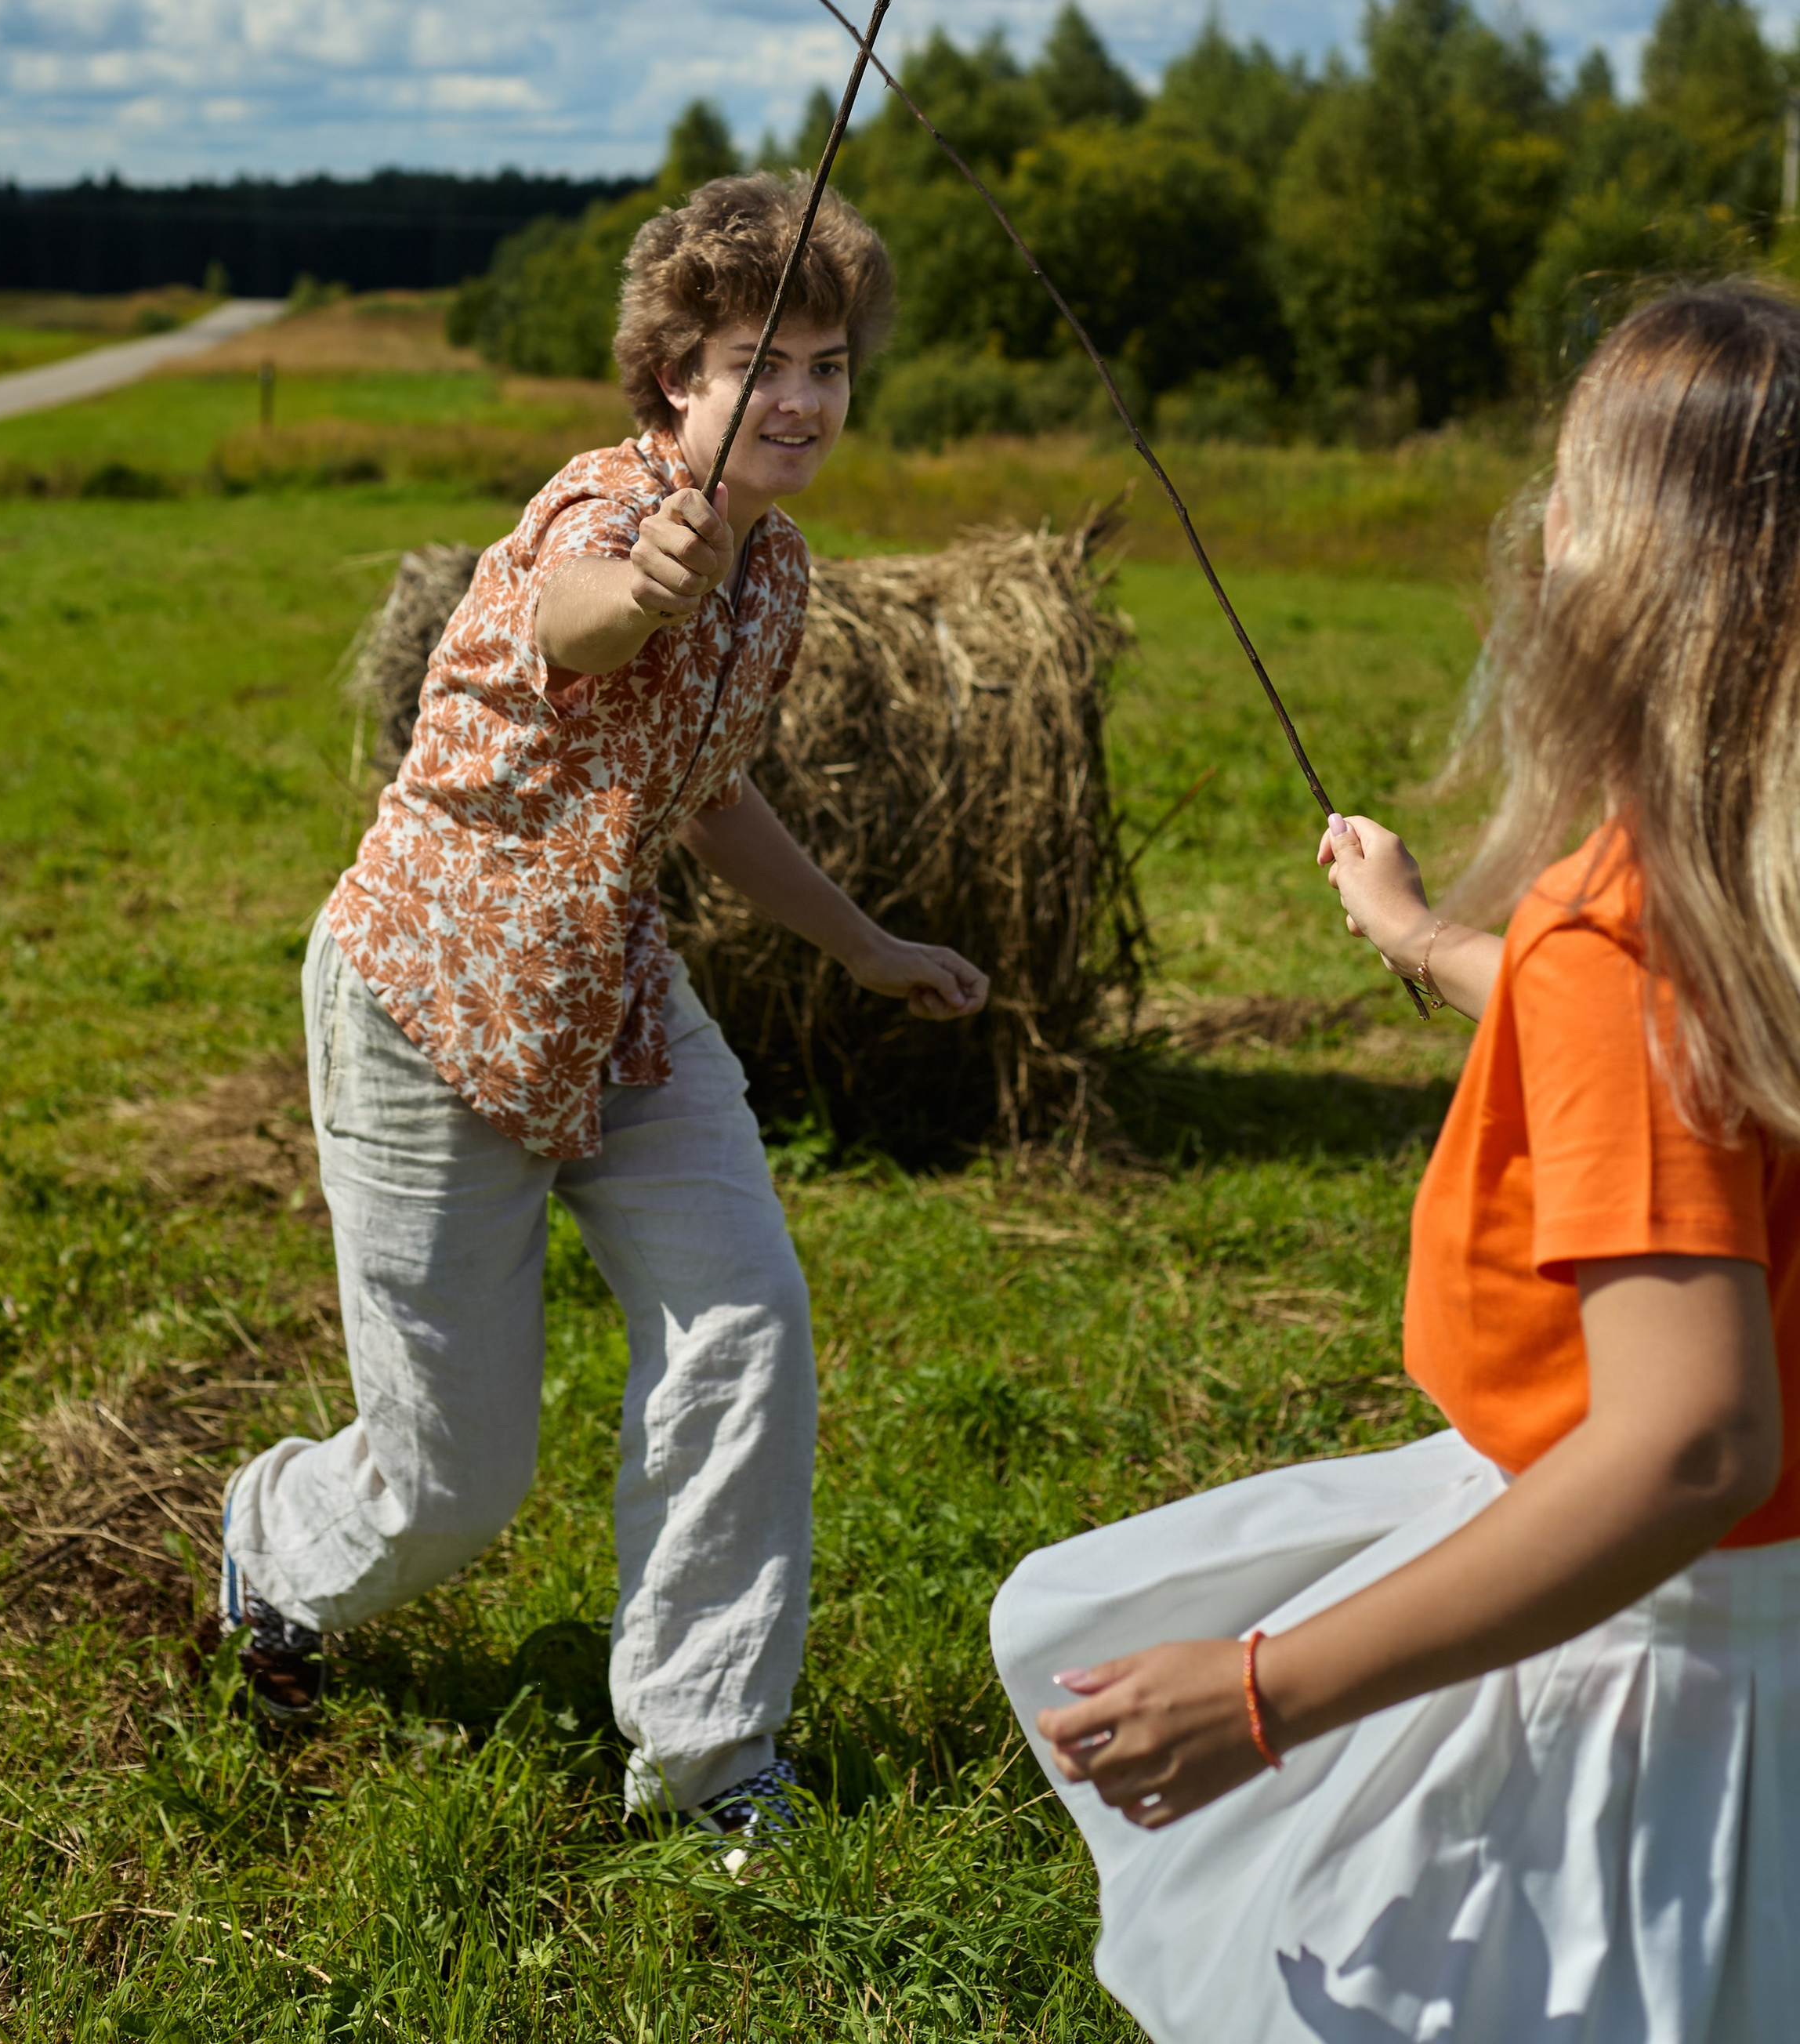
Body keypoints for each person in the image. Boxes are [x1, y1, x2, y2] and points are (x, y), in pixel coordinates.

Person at [992, 279, 1800, 2041]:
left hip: (1642, 1656)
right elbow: (1635, 1048)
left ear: (1628, 565)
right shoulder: (1749, 884)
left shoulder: (1627, 931)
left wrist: (1271, 1693)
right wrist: (1423, 932)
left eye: (1569, 491)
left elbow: (1686, 1441)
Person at [221, 172, 988, 1854]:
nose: (797, 397)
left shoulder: (779, 576)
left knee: (744, 1328)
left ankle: (710, 1760)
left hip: (619, 1005)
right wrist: (650, 580)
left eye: (827, 366)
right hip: (433, 1004)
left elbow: (708, 802)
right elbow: (577, 619)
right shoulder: (602, 506)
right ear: (672, 383)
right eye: (754, 364)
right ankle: (271, 1554)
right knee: (453, 1480)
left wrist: (860, 943)